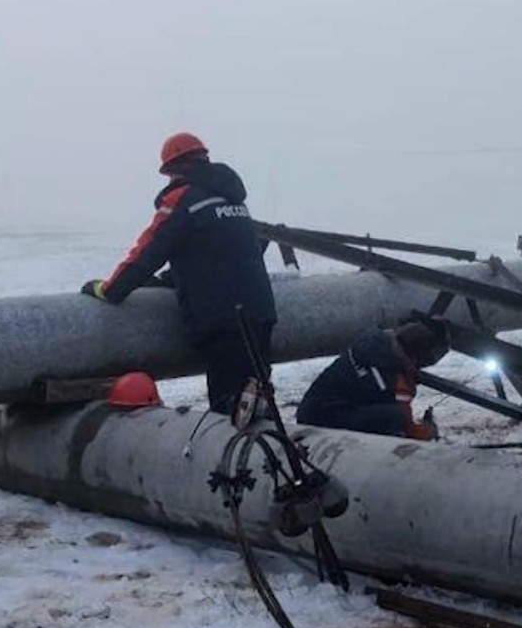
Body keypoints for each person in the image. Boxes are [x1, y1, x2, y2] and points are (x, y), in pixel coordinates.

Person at [80, 132, 277, 414]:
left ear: (173, 170)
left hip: (226, 322)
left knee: (231, 413)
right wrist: (173, 280)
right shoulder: (231, 199)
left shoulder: (183, 199)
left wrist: (108, 290)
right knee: (256, 403)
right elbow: (225, 252)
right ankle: (271, 456)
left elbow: (146, 253)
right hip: (260, 313)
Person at [295, 316, 449, 440]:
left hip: (311, 410)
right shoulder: (388, 380)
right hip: (323, 420)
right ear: (413, 358)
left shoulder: (373, 344)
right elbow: (408, 425)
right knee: (395, 416)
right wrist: (429, 431)